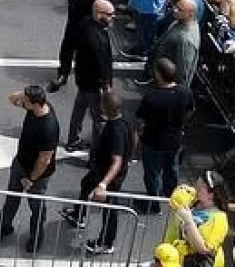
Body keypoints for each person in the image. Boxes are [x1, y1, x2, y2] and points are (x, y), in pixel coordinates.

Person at [0, 85, 60, 252]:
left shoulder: (48, 126)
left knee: (36, 206)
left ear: (34, 103)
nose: (21, 102)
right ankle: (4, 226)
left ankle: (36, 237)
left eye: (25, 101)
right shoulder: (34, 108)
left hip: (37, 174)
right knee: (11, 199)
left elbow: (45, 160)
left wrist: (31, 179)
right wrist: (24, 93)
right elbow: (12, 98)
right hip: (21, 163)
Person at [60, 91, 133, 255]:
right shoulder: (126, 118)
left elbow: (116, 161)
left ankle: (107, 242)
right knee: (85, 185)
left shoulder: (115, 131)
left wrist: (103, 184)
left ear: (104, 109)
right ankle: (78, 215)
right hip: (100, 170)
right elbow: (135, 137)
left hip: (108, 176)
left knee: (109, 208)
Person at [135, 57, 195, 204]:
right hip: (174, 140)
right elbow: (190, 111)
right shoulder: (185, 92)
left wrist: (138, 135)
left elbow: (140, 120)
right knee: (172, 169)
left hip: (153, 142)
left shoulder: (151, 97)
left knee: (152, 173)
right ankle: (171, 197)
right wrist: (180, 123)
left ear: (159, 74)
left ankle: (153, 202)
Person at [62, 0, 117, 152]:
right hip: (95, 85)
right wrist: (105, 87)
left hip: (83, 80)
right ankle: (95, 155)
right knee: (99, 119)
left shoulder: (86, 24)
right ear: (99, 14)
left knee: (79, 109)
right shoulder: (96, 39)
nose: (113, 17)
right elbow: (101, 65)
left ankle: (73, 139)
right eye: (110, 14)